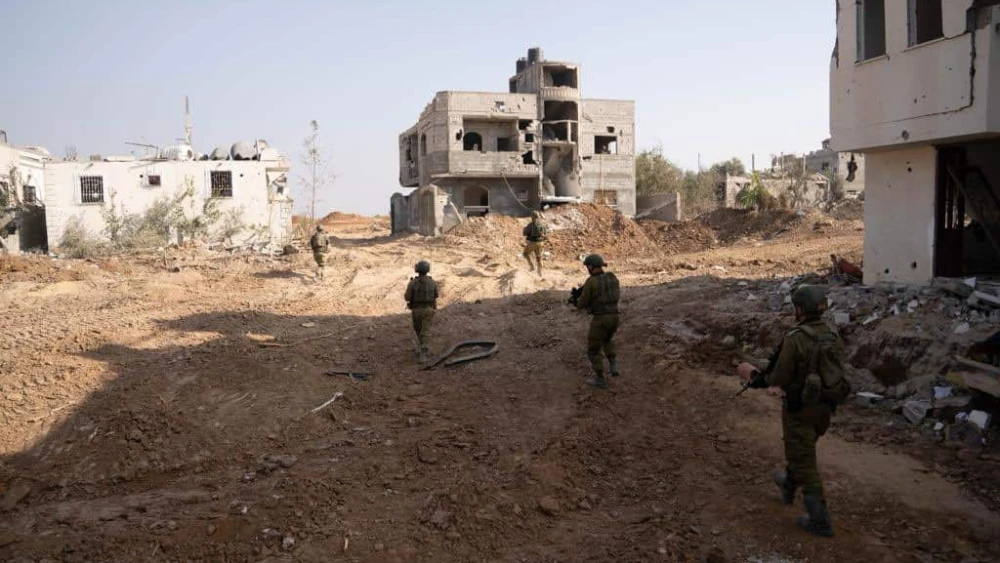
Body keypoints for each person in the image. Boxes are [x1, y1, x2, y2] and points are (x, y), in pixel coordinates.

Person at [737, 285, 850, 538]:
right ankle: (788, 482)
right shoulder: (832, 334)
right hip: (824, 409)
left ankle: (820, 521)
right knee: (802, 449)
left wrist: (757, 379)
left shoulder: (796, 338)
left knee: (805, 461)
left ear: (800, 309)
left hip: (800, 409)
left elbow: (778, 377)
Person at [575, 254, 621, 389]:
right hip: (614, 316)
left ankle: (600, 379)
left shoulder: (591, 281)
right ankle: (612, 364)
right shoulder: (612, 277)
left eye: (587, 267)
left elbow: (581, 303)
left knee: (593, 349)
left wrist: (577, 302)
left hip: (601, 319)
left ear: (590, 267)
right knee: (607, 339)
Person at [405, 260, 439, 363]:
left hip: (416, 310)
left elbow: (407, 297)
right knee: (424, 331)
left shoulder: (412, 283)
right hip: (429, 310)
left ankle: (423, 352)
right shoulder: (432, 282)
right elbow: (435, 296)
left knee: (420, 331)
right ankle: (422, 349)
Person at [522, 211, 547, 275]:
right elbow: (545, 232)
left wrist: (525, 229)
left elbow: (524, 233)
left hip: (532, 243)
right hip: (540, 243)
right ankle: (540, 271)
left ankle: (532, 266)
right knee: (539, 257)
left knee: (525, 254)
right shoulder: (542, 224)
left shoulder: (530, 225)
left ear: (532, 217)